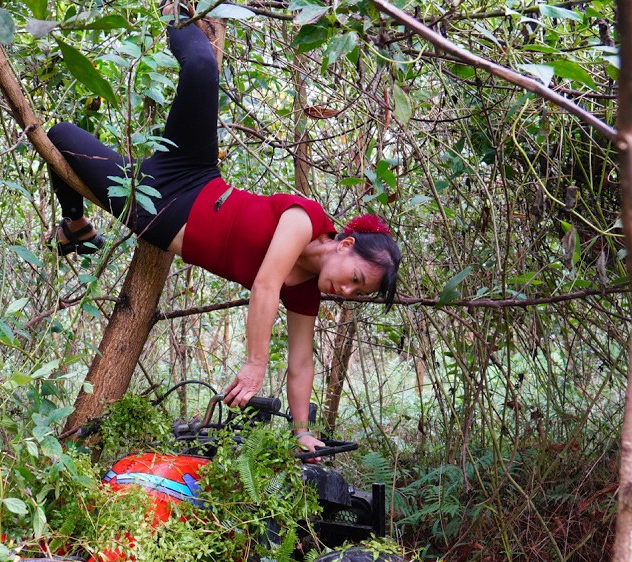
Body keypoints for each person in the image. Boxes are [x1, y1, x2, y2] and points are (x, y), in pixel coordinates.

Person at [46, 19, 400, 452]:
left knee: (60, 137)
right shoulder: (305, 218)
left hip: (159, 214)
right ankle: (77, 224)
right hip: (195, 172)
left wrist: (303, 432)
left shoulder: (306, 293)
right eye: (356, 278)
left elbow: (301, 363)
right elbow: (267, 283)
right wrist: (254, 365)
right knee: (199, 66)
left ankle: (74, 230)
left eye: (356, 293)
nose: (346, 290)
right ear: (346, 245)